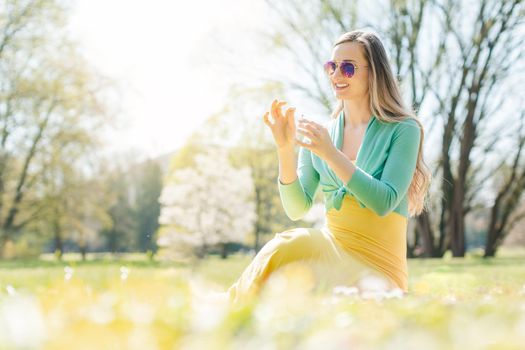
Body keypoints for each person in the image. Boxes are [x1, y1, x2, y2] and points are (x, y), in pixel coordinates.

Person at [227, 30, 432, 304]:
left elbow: (384, 201)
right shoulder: (322, 133)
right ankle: (234, 310)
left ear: (374, 73)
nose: (336, 75)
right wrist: (285, 148)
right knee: (288, 246)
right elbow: (297, 208)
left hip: (379, 269)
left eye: (347, 68)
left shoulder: (404, 129)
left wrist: (331, 153)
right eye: (331, 66)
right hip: (330, 251)